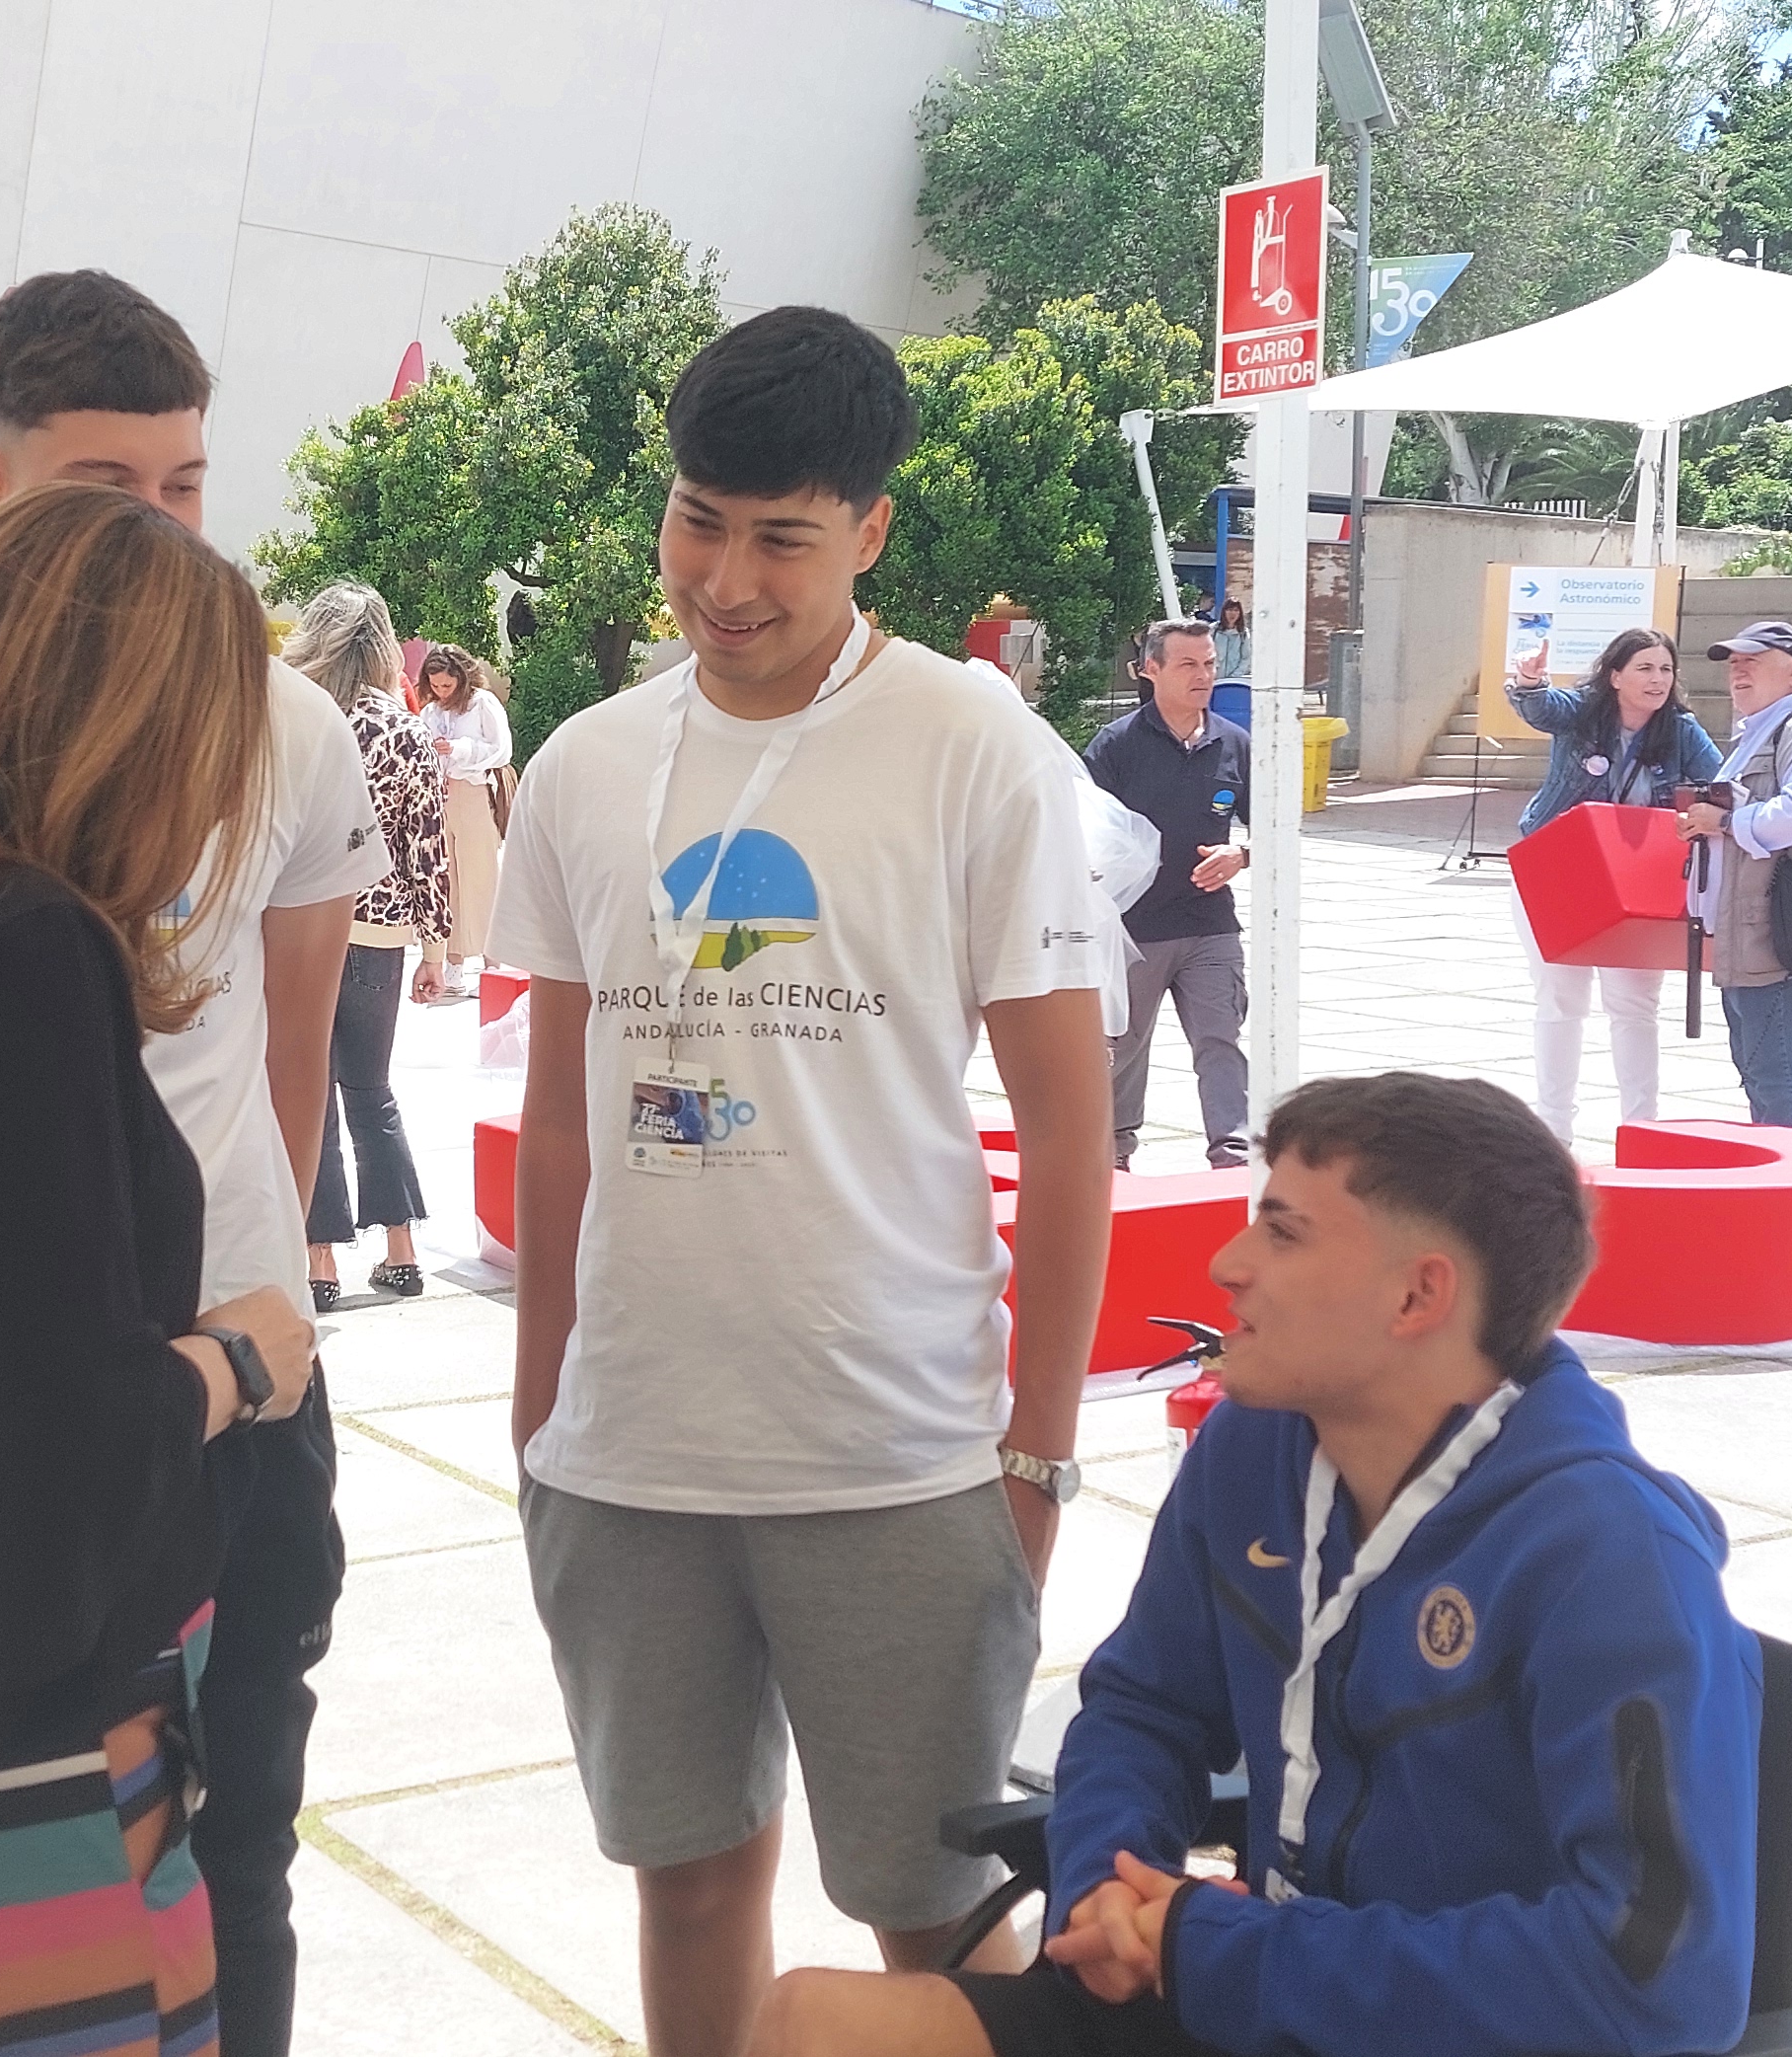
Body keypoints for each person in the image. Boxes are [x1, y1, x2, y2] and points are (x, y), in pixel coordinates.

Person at [0, 269, 387, 2057]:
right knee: (0, 1891)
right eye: (107, 487)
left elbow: (294, 1043)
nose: (158, 531)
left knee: (236, 1841)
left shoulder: (284, 721)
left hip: (236, 1377)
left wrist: (270, 1297)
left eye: (185, 485)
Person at [496, 305, 1119, 2057]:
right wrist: (541, 1406)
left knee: (935, 1908)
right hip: (629, 1452)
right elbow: (559, 1118)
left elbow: (1070, 1130)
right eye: (699, 521)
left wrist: (1036, 1452)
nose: (727, 580)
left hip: (894, 1448)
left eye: (781, 537)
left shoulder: (973, 745)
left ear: (870, 529)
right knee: (688, 1881)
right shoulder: (585, 762)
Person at [752, 1073, 1763, 2057]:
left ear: (1417, 1294)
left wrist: (1219, 1948)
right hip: (1262, 1988)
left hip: (1440, 2022)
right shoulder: (1254, 1449)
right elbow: (1144, 1706)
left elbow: (1661, 1983)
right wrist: (1105, 1885)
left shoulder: (1609, 1553)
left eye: (1282, 1232)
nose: (1228, 1263)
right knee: (809, 2022)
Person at [288, 581, 450, 1310]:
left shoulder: (298, 719)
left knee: (310, 1091)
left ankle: (319, 1262)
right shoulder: (405, 729)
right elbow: (427, 848)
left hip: (301, 927)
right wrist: (435, 949)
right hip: (382, 933)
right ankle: (401, 1248)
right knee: (371, 1088)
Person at [1504, 628, 1720, 1142]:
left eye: (1665, 669)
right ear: (1615, 676)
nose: (1657, 679)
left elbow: (1724, 786)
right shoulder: (1583, 713)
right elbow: (1542, 708)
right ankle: (1555, 1132)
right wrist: (1529, 681)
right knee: (1560, 1000)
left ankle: (1641, 1130)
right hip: (1558, 869)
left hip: (1637, 880)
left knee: (1634, 1004)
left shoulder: (1682, 731)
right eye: (1644, 668)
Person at [1083, 618, 1252, 1171]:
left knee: (1220, 1039)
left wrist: (1242, 854)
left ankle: (1233, 1153)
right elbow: (1078, 829)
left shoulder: (1234, 743)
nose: (1204, 675)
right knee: (1123, 1048)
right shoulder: (1116, 746)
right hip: (1133, 931)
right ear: (1150, 670)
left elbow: (1277, 825)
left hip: (1210, 926)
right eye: (1188, 665)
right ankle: (1112, 1155)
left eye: (1209, 664)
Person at [1679, 621, 1792, 1129]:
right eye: (1734, 663)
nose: (1739, 671)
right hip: (1748, 927)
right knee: (1760, 1066)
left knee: (1778, 1072)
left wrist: (1727, 822)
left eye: (1753, 660)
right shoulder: (1761, 732)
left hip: (1775, 930)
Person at [413, 642, 510, 1003]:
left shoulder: (483, 704)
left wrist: (459, 749)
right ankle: (452, 964)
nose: (441, 691)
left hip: (473, 792)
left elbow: (501, 750)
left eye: (447, 685)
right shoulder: (430, 711)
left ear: (462, 679)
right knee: (447, 880)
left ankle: (492, 964)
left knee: (481, 877)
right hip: (441, 797)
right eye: (435, 685)